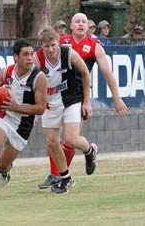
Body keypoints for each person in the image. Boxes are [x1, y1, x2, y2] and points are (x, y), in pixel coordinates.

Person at [38, 13, 129, 189]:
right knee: (53, 139)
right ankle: (56, 174)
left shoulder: (94, 46)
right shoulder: (60, 42)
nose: (80, 24)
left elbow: (107, 73)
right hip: (56, 95)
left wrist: (115, 98)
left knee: (70, 140)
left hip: (78, 95)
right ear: (70, 26)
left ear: (88, 27)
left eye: (84, 22)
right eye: (76, 21)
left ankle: (80, 158)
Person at [0, 39, 48, 210]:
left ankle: (5, 171)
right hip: (4, 116)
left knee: (1, 166)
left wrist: (17, 107)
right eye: (26, 54)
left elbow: (41, 108)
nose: (30, 58)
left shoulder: (39, 78)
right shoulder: (7, 72)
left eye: (31, 54)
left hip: (22, 126)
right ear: (16, 57)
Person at [34, 27, 93, 194]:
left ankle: (90, 150)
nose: (51, 49)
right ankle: (66, 178)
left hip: (71, 100)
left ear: (58, 43)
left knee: (71, 139)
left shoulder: (69, 53)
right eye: (47, 46)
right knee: (52, 142)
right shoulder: (37, 59)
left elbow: (85, 73)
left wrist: (87, 102)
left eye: (53, 45)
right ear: (42, 47)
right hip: (50, 104)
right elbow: (32, 85)